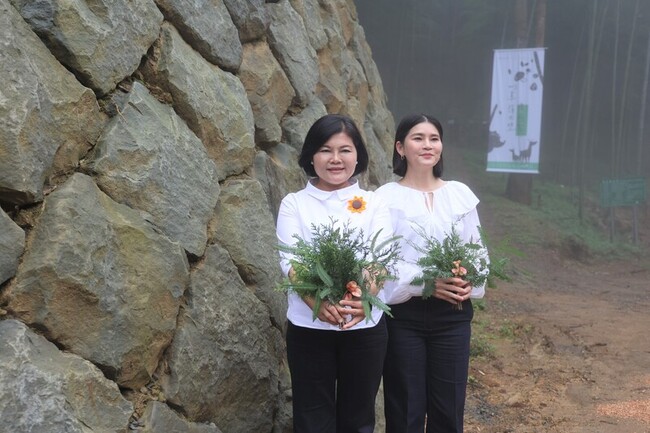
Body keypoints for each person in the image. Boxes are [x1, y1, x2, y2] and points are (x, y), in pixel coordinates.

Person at [276, 114, 393, 433]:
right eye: (326, 150)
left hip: (364, 327)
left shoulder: (373, 202)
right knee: (312, 418)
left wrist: (361, 298)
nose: (336, 158)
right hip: (309, 326)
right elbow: (291, 261)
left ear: (358, 156)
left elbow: (381, 258)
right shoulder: (294, 204)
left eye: (345, 149)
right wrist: (316, 300)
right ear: (311, 156)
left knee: (358, 419)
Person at [375, 113, 488, 433]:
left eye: (434, 138)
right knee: (405, 408)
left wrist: (469, 279)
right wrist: (424, 283)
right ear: (400, 147)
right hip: (403, 317)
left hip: (452, 315)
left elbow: (476, 251)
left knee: (449, 409)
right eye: (418, 138)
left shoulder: (459, 194)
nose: (427, 145)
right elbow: (381, 260)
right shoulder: (384, 198)